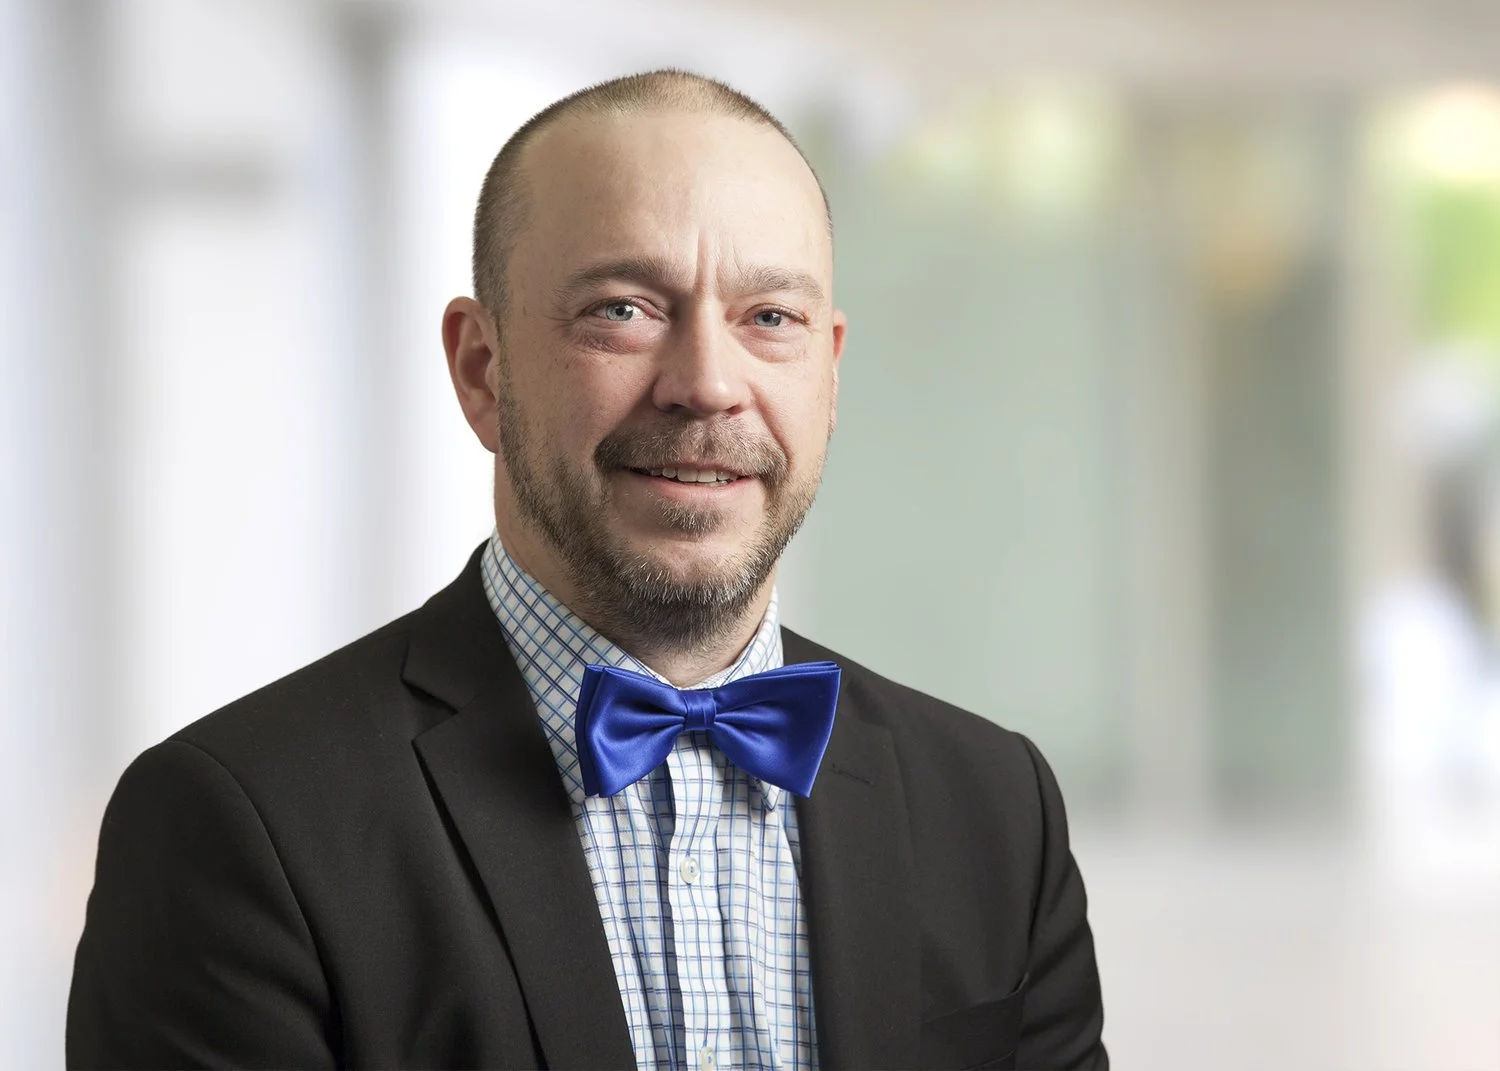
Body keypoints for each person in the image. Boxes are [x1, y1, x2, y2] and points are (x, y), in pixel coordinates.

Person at [67, 70, 1107, 1070]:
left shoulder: (998, 812)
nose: (707, 385)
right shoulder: (238, 826)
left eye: (769, 319)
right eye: (623, 308)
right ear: (483, 370)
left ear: (829, 375)